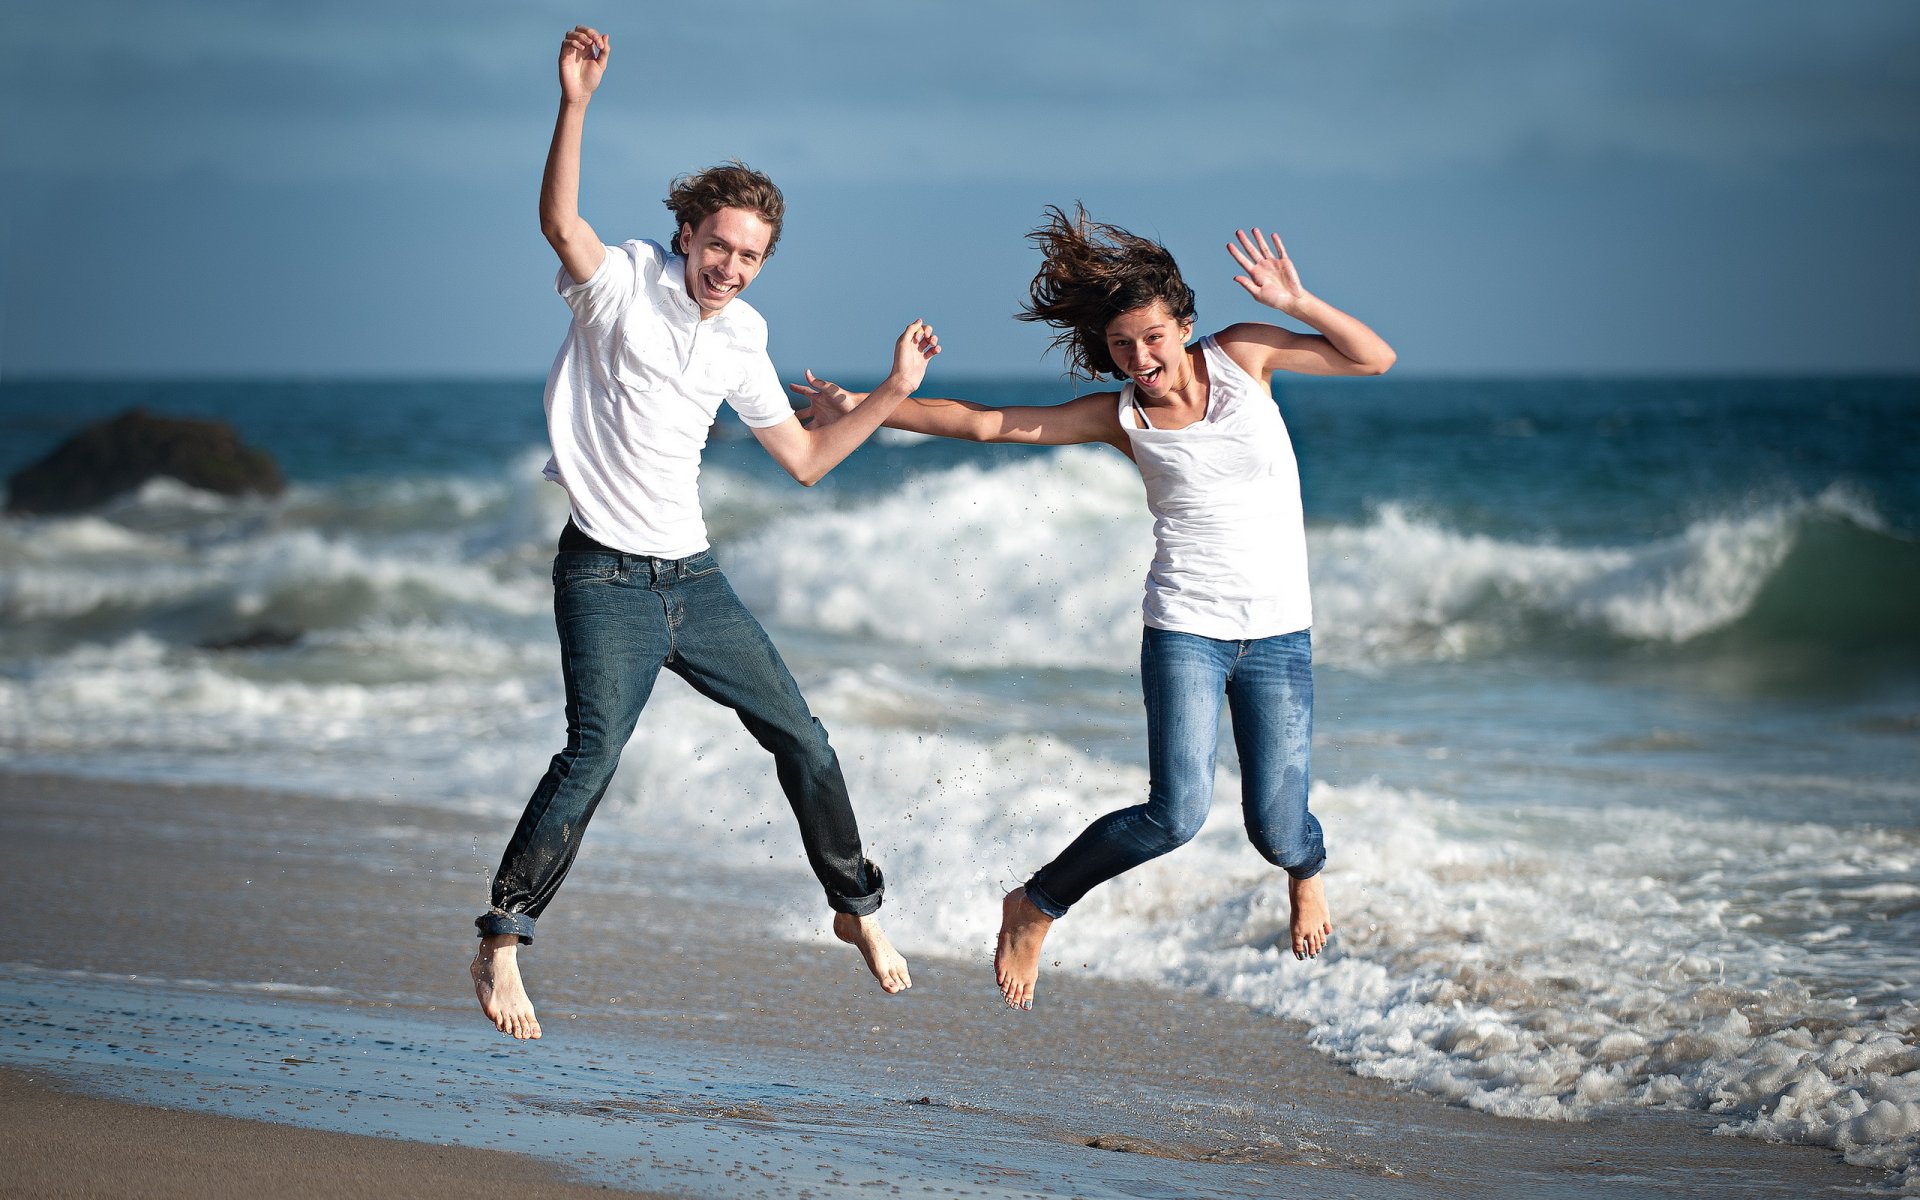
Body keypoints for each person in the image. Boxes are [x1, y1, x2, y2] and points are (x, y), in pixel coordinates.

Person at [795, 205, 1393, 1011]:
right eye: (1122, 346)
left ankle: (1305, 872)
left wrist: (1300, 303)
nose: (1140, 357)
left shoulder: (1247, 355)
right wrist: (867, 404)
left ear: (1183, 325)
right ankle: (1035, 905)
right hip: (1186, 629)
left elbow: (1374, 359)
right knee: (1175, 815)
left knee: (1278, 829)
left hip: (1280, 634)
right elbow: (982, 425)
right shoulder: (1122, 417)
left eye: (1152, 337)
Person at [471, 25, 939, 1040]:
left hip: (695, 579)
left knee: (804, 741)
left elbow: (806, 460)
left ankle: (855, 908)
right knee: (591, 758)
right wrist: (576, 105)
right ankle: (503, 941)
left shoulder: (744, 336)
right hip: (604, 576)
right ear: (686, 231)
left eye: (751, 256)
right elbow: (560, 225)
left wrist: (894, 393)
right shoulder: (620, 285)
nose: (731, 267)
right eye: (719, 244)